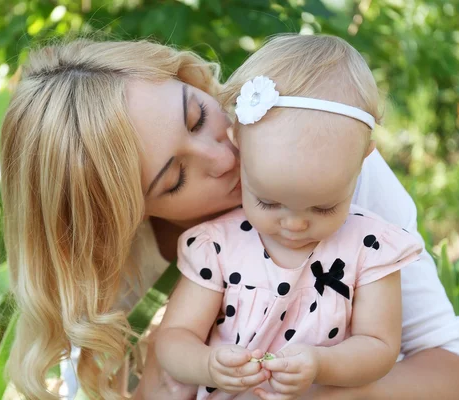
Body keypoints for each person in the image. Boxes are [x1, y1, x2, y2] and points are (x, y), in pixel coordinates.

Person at [0, 38, 459, 400]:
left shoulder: (318, 161)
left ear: (189, 81)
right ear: (125, 217)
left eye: (196, 117)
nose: (224, 157)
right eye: (175, 181)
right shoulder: (120, 264)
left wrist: (318, 384)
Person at [155, 35, 424, 399]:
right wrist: (207, 363)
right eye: (267, 202)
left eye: (324, 206)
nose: (294, 224)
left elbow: (378, 345)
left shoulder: (370, 247)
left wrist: (321, 364)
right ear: (239, 147)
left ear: (363, 161)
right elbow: (174, 338)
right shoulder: (217, 247)